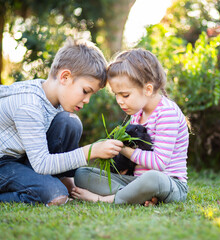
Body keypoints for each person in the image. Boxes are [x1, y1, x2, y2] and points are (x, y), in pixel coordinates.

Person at [0, 39, 124, 206]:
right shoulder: (29, 105)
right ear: (65, 77)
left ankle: (63, 181)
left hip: (23, 157)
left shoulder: (55, 100)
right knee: (56, 196)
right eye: (86, 91)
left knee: (70, 122)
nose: (87, 100)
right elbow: (42, 163)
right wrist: (90, 151)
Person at [72, 48, 189, 206]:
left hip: (169, 184)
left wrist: (123, 150)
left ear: (148, 89)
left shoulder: (167, 113)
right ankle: (137, 197)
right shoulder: (137, 114)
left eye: (125, 95)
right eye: (116, 95)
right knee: (82, 174)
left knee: (153, 178)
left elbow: (159, 163)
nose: (119, 101)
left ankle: (108, 199)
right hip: (136, 182)